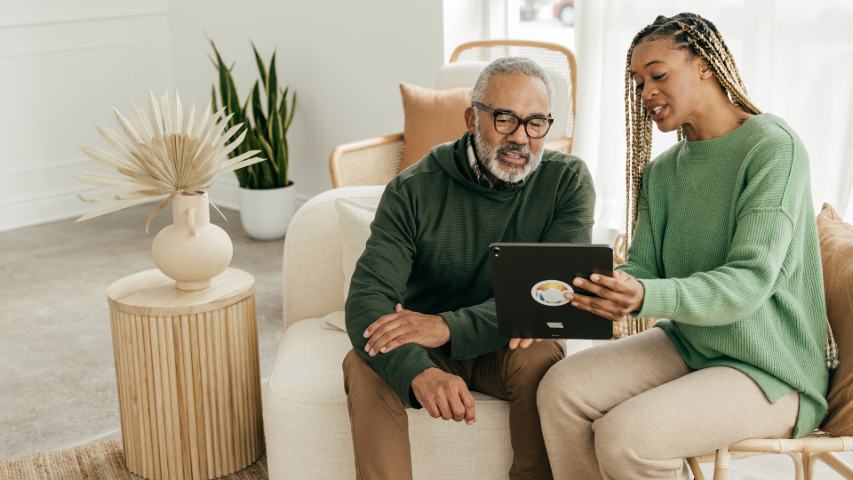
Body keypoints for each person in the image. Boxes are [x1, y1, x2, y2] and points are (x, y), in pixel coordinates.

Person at [536, 12, 830, 480]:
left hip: (770, 371)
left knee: (625, 435)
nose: (646, 92)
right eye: (637, 82)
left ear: (705, 66)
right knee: (560, 388)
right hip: (692, 345)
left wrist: (646, 296)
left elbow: (750, 281)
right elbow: (646, 267)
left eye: (658, 75)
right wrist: (612, 288)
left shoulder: (773, 148)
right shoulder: (663, 171)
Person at [342, 57, 595, 480]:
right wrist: (419, 370)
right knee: (363, 362)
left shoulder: (566, 181)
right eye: (504, 119)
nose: (520, 137)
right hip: (430, 350)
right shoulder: (412, 189)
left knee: (540, 351)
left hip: (507, 346)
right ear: (470, 118)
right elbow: (367, 300)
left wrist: (446, 326)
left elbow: (555, 298)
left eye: (536, 123)